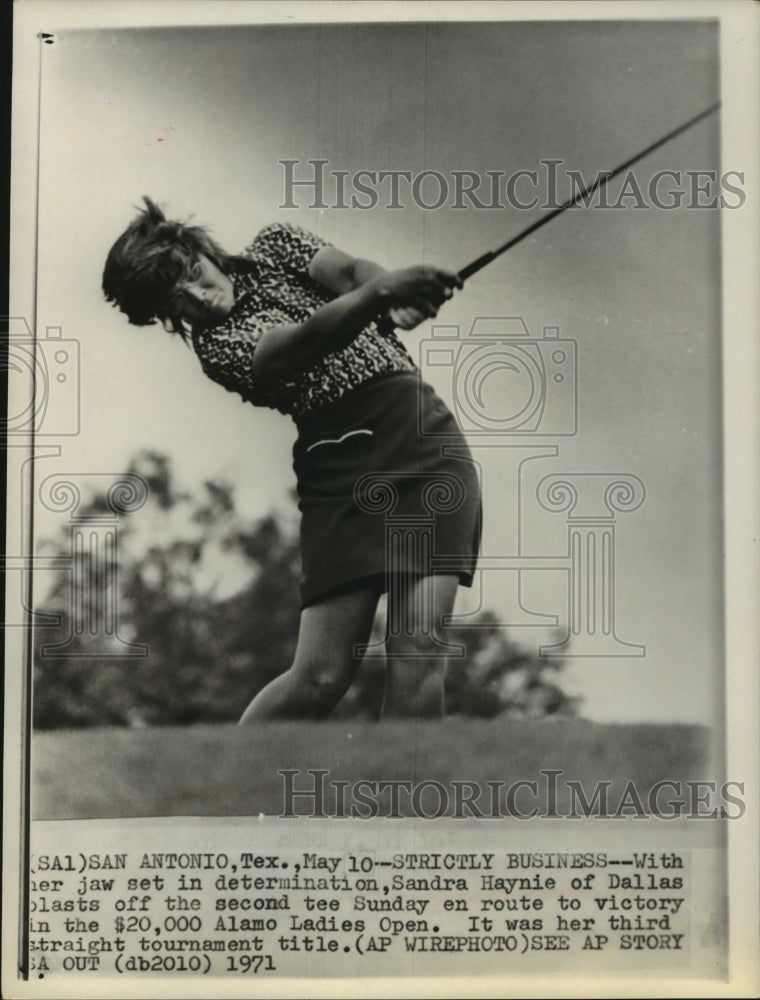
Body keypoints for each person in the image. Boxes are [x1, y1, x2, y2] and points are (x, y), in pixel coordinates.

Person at [102, 198, 481, 722]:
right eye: (175, 303)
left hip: (423, 443)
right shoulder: (219, 348)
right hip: (338, 470)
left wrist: (389, 291)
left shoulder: (276, 244)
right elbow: (303, 342)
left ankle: (410, 806)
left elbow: (352, 272)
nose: (197, 296)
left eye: (192, 273)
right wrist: (380, 294)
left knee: (418, 649)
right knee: (320, 678)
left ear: (201, 248)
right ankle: (232, 792)